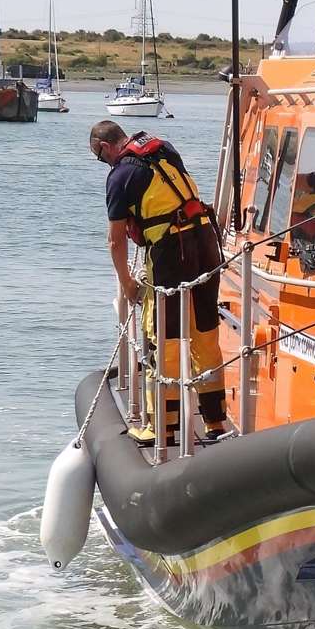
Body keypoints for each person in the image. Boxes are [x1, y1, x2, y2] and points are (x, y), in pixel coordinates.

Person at [91, 120, 230, 446]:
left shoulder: (119, 176)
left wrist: (126, 282)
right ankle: (215, 421)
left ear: (105, 146)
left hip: (171, 254)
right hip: (206, 244)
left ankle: (160, 427)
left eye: (99, 156)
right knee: (205, 333)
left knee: (161, 339)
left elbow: (116, 241)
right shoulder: (163, 149)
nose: (102, 162)